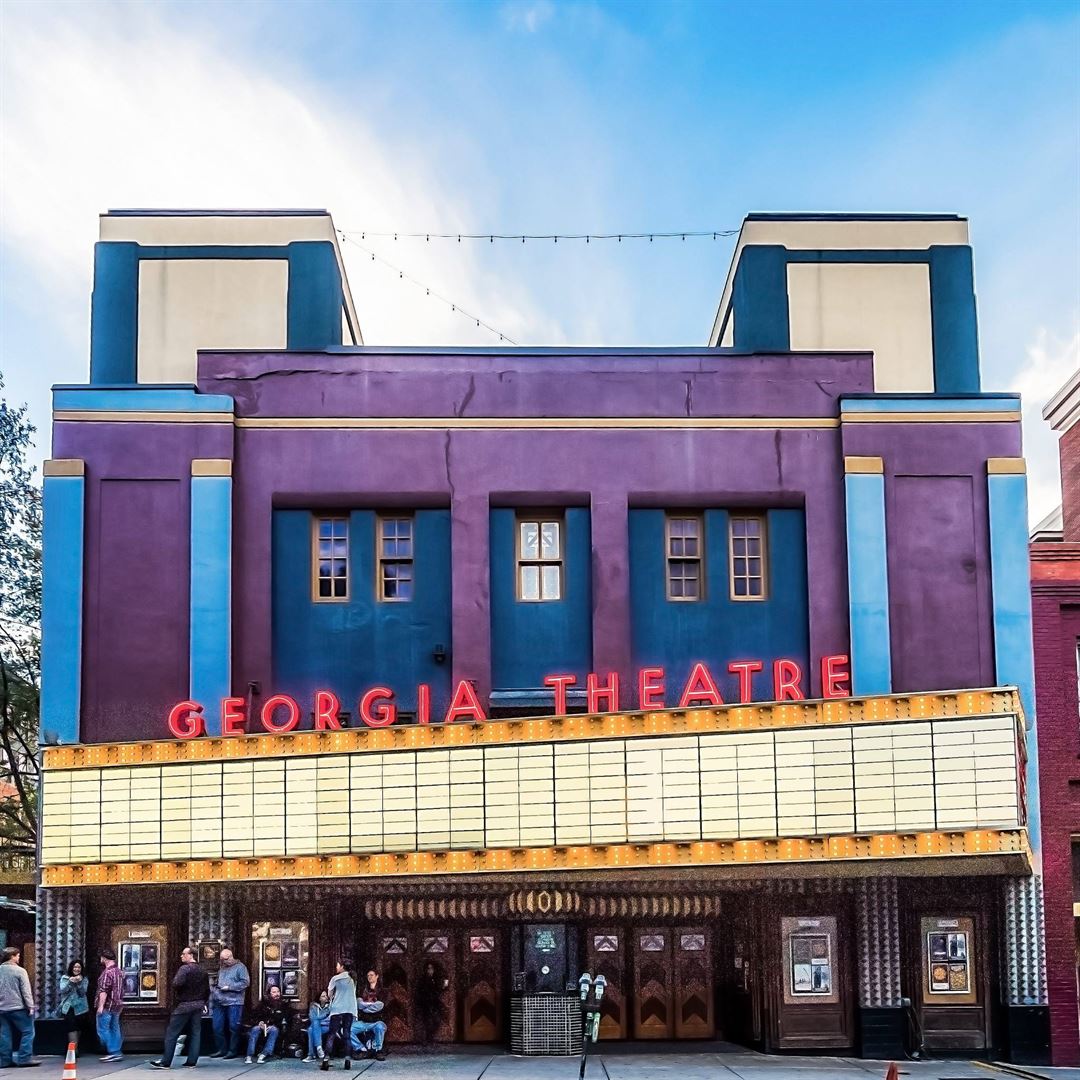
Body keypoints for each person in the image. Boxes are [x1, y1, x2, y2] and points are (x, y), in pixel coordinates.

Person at [150, 946, 210, 1070]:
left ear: (191, 955)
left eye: (184, 954)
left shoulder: (185, 969)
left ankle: (166, 1061)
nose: (181, 956)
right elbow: (207, 990)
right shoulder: (203, 970)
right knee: (195, 1032)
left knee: (172, 1032)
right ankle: (192, 1061)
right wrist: (203, 1002)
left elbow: (176, 983)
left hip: (184, 1004)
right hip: (198, 1004)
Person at [0, 946, 38, 1068]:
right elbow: (25, 991)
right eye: (18, 956)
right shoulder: (20, 971)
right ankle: (24, 1058)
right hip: (18, 1007)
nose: (19, 958)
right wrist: (30, 1006)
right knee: (28, 1031)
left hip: (2, 1008)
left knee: (4, 1034)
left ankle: (5, 1060)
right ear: (12, 957)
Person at [209, 947, 250, 1059]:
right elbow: (218, 982)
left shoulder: (240, 967)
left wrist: (230, 987)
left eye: (225, 959)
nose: (223, 961)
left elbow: (245, 983)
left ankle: (233, 1051)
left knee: (234, 1027)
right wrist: (215, 992)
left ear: (231, 956)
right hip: (220, 1001)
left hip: (235, 1002)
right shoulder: (222, 968)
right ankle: (221, 1049)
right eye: (222, 959)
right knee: (216, 1027)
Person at [321, 959, 357, 1071]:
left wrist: (333, 998)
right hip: (349, 1008)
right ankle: (347, 1059)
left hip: (337, 1009)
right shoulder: (353, 978)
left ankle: (326, 1059)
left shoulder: (335, 979)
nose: (336, 967)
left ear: (342, 967)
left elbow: (329, 993)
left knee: (332, 1033)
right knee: (347, 1033)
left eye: (338, 965)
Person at [245, 984, 288, 1064]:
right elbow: (254, 1016)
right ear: (269, 994)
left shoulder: (283, 1005)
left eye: (278, 992)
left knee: (274, 1030)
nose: (277, 994)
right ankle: (249, 1055)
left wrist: (272, 1025)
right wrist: (260, 1022)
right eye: (274, 992)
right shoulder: (263, 1004)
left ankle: (264, 1054)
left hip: (273, 1026)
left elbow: (284, 1018)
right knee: (255, 1029)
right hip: (262, 1025)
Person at [95, 948, 125, 1062]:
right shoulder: (119, 971)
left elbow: (103, 991)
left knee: (102, 1030)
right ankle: (117, 1051)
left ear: (104, 958)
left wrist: (100, 1006)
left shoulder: (107, 973)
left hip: (107, 1005)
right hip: (117, 1005)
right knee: (115, 1028)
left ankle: (113, 1051)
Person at [351, 970, 387, 1062]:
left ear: (377, 976)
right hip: (364, 1021)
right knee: (348, 1030)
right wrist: (370, 1004)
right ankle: (361, 1049)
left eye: (371, 975)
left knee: (380, 1027)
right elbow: (359, 1004)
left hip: (376, 1020)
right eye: (368, 975)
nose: (370, 977)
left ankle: (377, 1050)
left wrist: (365, 1006)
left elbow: (379, 1006)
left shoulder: (382, 990)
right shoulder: (363, 989)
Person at [58, 960, 92, 1053]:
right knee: (71, 1027)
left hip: (81, 1008)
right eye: (75, 967)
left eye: (79, 967)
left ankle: (74, 1046)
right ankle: (73, 1051)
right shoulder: (65, 978)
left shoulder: (84, 979)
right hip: (69, 1007)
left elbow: (83, 992)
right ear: (71, 968)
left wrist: (78, 983)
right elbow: (63, 990)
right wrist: (70, 982)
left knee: (79, 1027)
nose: (76, 969)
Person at [415, 961, 445, 1047]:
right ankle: (427, 1040)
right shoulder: (422, 980)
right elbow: (420, 992)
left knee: (436, 1021)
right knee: (427, 1021)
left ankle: (430, 1038)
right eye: (428, 969)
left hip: (434, 1004)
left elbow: (438, 990)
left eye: (431, 969)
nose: (430, 971)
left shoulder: (435, 979)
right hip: (425, 1004)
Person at [304, 991, 330, 1063]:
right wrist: (323, 1017)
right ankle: (318, 1047)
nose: (326, 997)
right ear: (319, 998)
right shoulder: (313, 1006)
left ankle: (311, 1055)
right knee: (311, 1028)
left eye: (326, 996)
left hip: (326, 1027)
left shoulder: (330, 1006)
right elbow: (312, 1018)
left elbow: (329, 1019)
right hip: (316, 1026)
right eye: (323, 996)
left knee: (312, 1028)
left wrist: (319, 1020)